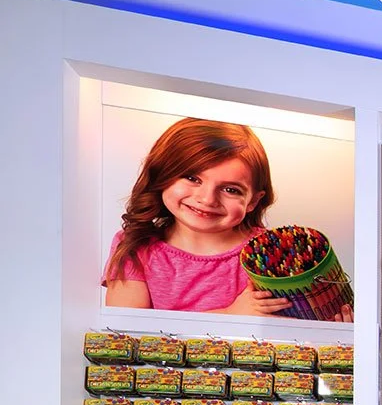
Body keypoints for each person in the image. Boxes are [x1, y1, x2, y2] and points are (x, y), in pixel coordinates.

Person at [101, 117, 290, 315]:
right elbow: (129, 332)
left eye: (230, 189)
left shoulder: (270, 252)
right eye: (192, 178)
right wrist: (229, 315)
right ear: (161, 175)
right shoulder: (135, 248)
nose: (207, 199)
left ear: (253, 201)